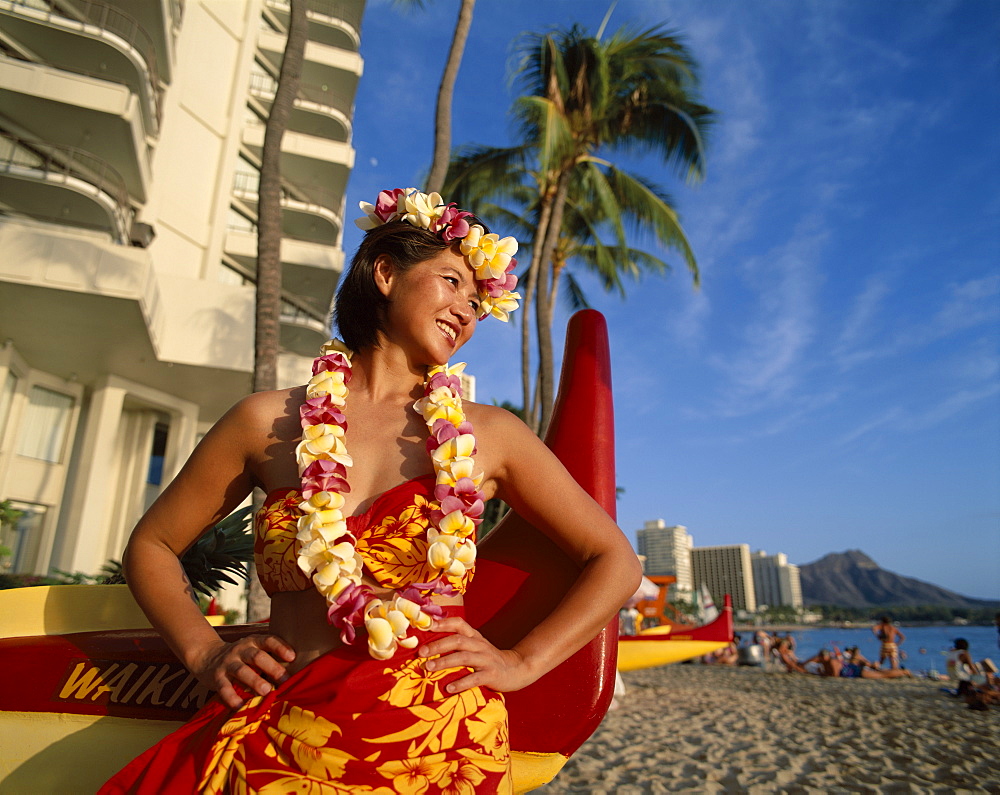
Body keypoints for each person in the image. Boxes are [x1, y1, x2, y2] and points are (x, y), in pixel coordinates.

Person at [99, 188, 641, 793]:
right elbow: (152, 544)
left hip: (434, 746)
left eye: (477, 300)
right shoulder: (266, 423)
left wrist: (523, 661)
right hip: (281, 734)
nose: (468, 310)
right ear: (385, 273)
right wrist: (203, 653)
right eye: (452, 281)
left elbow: (613, 560)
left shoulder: (492, 436)